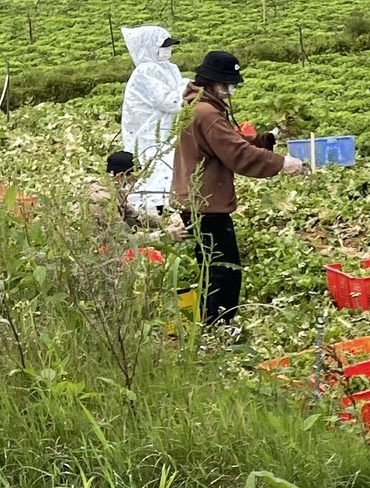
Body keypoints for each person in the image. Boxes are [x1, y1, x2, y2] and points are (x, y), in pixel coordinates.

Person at [170, 50, 308, 333]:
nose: (231, 89)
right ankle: (218, 328)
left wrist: (270, 137)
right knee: (224, 270)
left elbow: (233, 141)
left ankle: (211, 326)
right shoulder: (206, 113)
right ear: (213, 82)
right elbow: (237, 153)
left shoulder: (200, 107)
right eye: (228, 84)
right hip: (205, 204)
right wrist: (283, 163)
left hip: (197, 201)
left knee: (213, 267)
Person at [118, 25, 182, 221]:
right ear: (150, 47)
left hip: (166, 129)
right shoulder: (145, 72)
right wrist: (192, 93)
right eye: (164, 46)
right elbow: (168, 100)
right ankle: (152, 214)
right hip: (149, 133)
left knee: (169, 166)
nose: (168, 50)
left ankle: (167, 211)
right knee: (154, 169)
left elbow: (179, 89)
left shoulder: (169, 68)